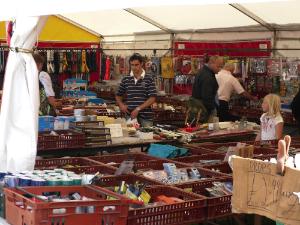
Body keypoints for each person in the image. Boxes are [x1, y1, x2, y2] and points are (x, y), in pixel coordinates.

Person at [116, 53, 157, 127]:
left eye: (136, 65)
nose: (134, 67)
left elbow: (152, 98)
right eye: (132, 65)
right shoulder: (126, 79)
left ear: (141, 64)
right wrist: (121, 105)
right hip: (130, 116)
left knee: (147, 137)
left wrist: (138, 109)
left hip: (146, 117)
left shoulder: (149, 79)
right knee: (130, 137)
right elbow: (118, 95)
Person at [192, 55, 224, 122]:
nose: (220, 69)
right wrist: (212, 108)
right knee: (209, 130)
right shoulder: (208, 76)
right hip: (205, 110)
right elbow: (206, 96)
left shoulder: (203, 72)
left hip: (201, 108)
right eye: (218, 66)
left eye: (221, 67)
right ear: (211, 63)